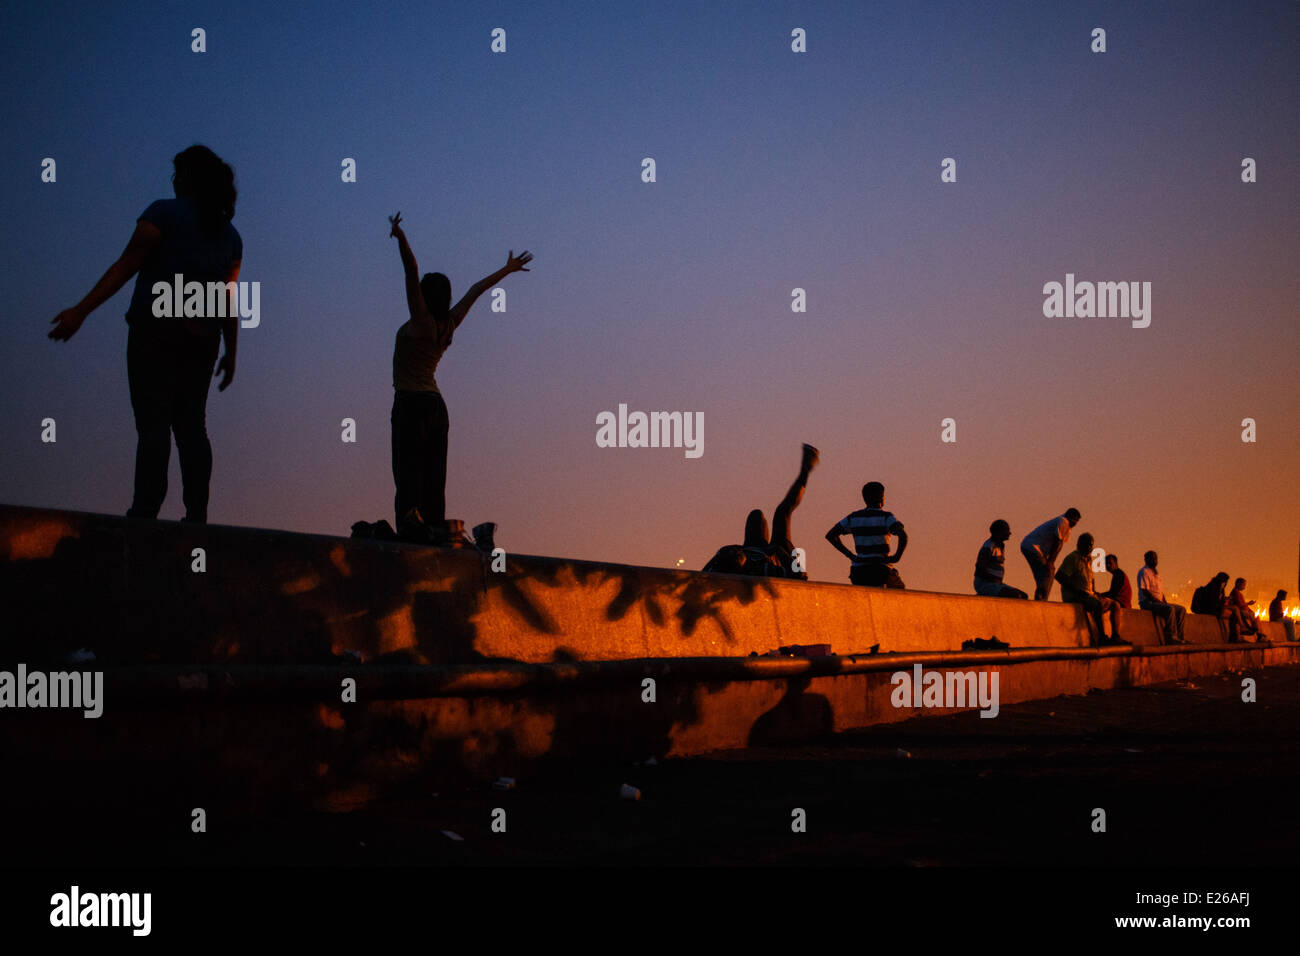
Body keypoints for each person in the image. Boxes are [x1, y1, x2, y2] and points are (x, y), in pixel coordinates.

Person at [48, 145, 242, 523]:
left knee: (154, 423)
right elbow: (225, 299)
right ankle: (196, 516)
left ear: (187, 177)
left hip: (156, 335)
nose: (173, 181)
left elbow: (124, 267)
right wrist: (232, 352)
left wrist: (81, 310)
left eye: (177, 173)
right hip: (202, 341)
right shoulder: (230, 237)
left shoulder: (161, 214)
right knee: (191, 426)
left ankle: (145, 513)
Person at [387, 211, 531, 539]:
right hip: (437, 407)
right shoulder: (449, 324)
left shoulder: (420, 321)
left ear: (423, 296)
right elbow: (475, 291)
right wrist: (507, 270)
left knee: (408, 473)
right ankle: (436, 531)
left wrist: (400, 236)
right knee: (435, 476)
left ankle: (410, 534)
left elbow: (411, 270)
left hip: (410, 405)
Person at [703, 444, 819, 579]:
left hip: (753, 550)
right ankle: (805, 470)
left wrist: (734, 549)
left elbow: (701, 574)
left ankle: (805, 470)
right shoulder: (765, 564)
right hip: (777, 556)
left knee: (758, 514)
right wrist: (778, 551)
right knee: (782, 514)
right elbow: (801, 576)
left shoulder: (729, 554)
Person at [827, 481, 907, 588]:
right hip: (880, 569)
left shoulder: (854, 517)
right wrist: (897, 556)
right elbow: (903, 535)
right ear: (882, 497)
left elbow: (831, 535)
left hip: (859, 571)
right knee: (899, 590)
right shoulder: (886, 517)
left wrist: (850, 555)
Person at [1055, 532, 1126, 646]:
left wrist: (1094, 591)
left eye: (1091, 545)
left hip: (1089, 595)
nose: (1089, 548)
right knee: (1097, 604)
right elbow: (1059, 576)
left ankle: (1116, 636)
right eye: (1086, 545)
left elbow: (1090, 579)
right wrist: (1076, 591)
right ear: (1079, 545)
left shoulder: (1089, 560)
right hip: (1075, 596)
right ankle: (1102, 637)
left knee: (1115, 605)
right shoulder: (1073, 558)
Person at [1020, 508, 1081, 601]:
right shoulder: (1063, 521)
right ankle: (1041, 599)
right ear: (1071, 518)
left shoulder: (1067, 525)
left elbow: (1059, 544)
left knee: (1045, 574)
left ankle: (1041, 597)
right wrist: (1051, 562)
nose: (1075, 524)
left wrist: (1049, 561)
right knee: (1047, 572)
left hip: (1032, 548)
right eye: (1075, 521)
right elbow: (1058, 543)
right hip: (1032, 547)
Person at [1136, 550, 1187, 644]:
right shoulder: (1144, 571)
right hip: (1147, 603)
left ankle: (1180, 637)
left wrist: (1164, 602)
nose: (1155, 560)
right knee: (1169, 609)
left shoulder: (1156, 574)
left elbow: (1160, 592)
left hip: (1157, 602)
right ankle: (1171, 637)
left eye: (1155, 558)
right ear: (1146, 560)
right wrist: (1158, 602)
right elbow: (1145, 591)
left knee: (1181, 610)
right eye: (1152, 558)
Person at [973, 520, 1028, 598]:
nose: (1009, 533)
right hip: (985, 584)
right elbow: (979, 569)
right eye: (1007, 530)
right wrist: (994, 580)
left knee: (1023, 596)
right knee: (1014, 595)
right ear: (998, 532)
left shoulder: (1000, 546)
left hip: (996, 584)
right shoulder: (988, 547)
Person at [1191, 572, 1233, 640]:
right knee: (1232, 614)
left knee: (1233, 611)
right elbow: (1212, 602)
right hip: (1208, 609)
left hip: (1213, 608)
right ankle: (1232, 637)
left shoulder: (1218, 588)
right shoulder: (1212, 588)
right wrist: (1223, 600)